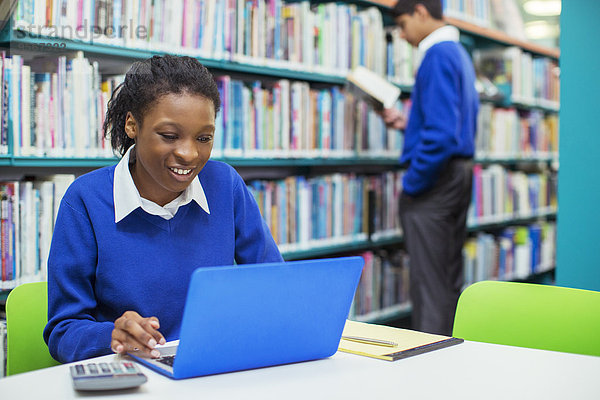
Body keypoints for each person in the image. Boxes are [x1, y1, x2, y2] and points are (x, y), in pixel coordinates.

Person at [43, 55, 283, 363]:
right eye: (169, 136)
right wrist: (112, 336)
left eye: (204, 138)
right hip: (133, 374)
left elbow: (275, 286)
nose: (189, 153)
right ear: (132, 124)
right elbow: (63, 331)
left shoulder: (225, 185)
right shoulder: (85, 200)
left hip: (213, 369)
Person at [382, 0, 479, 335]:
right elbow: (449, 124)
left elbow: (441, 136)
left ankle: (430, 371)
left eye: (405, 24)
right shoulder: (458, 53)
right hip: (458, 174)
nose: (404, 34)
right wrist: (407, 125)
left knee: (430, 286)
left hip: (435, 182)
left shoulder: (436, 55)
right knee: (447, 278)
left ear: (422, 12)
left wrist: (412, 184)